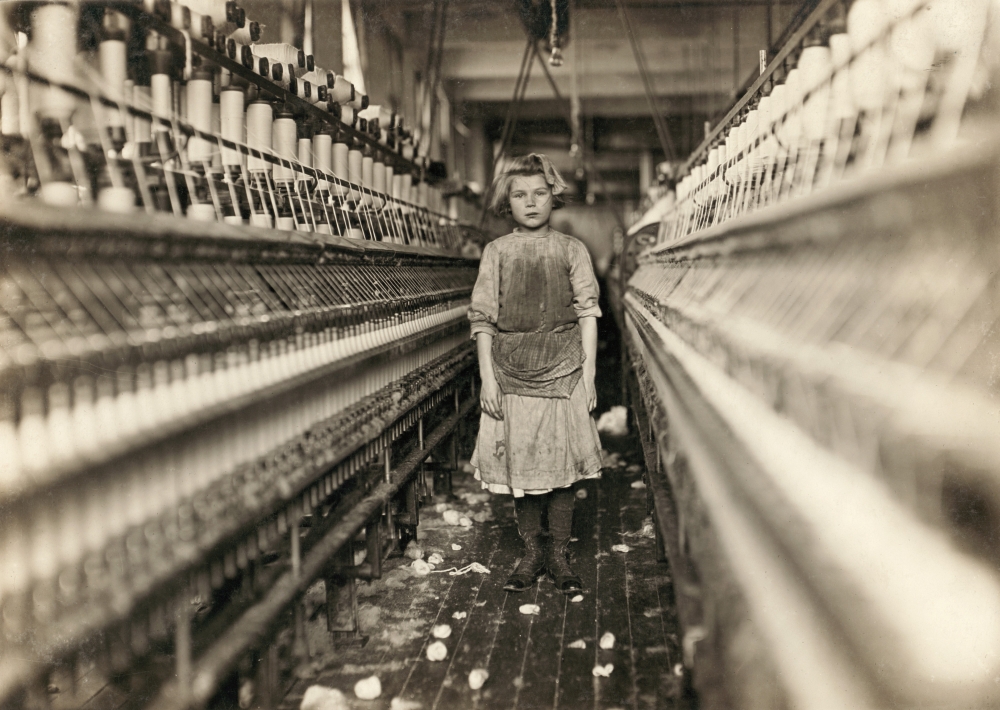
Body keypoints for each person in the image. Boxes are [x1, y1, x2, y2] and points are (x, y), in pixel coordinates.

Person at [467, 153, 603, 595]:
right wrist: (488, 378)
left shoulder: (571, 249)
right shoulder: (497, 252)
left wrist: (590, 374)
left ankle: (559, 554)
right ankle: (530, 554)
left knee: (562, 469)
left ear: (553, 197)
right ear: (508, 202)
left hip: (564, 371)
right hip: (510, 372)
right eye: (520, 195)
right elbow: (483, 319)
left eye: (540, 193)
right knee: (522, 469)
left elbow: (588, 313)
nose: (530, 203)